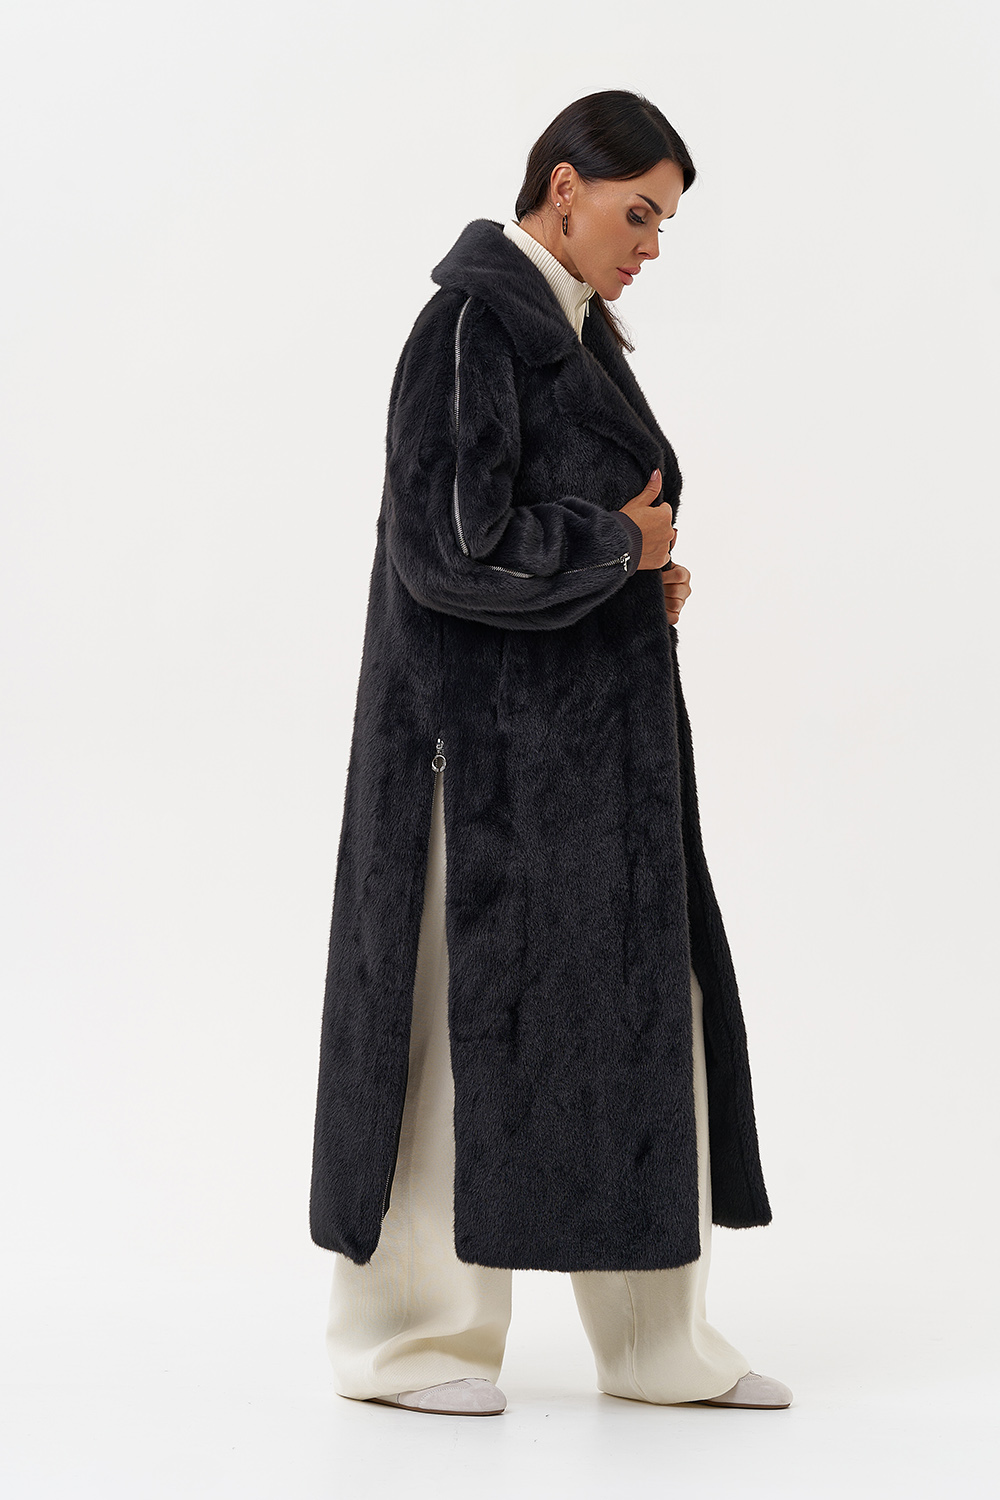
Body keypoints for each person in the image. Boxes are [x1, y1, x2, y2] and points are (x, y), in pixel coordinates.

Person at [309, 89, 792, 1417]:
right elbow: (448, 550)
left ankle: (655, 1346)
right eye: (639, 213)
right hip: (477, 768)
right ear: (563, 188)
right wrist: (616, 549)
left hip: (586, 771)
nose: (651, 245)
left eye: (666, 223)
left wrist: (635, 585)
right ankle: (408, 1347)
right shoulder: (475, 324)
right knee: (446, 1044)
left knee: (640, 1026)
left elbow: (547, 528)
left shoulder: (569, 328)